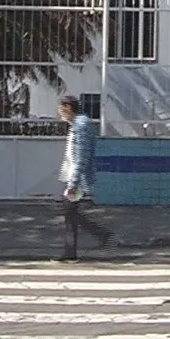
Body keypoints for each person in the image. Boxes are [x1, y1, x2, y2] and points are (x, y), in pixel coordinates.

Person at [58, 95, 114, 258]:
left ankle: (73, 252)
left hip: (78, 178)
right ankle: (104, 237)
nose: (60, 112)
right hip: (76, 177)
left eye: (61, 108)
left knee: (70, 212)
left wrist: (73, 183)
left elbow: (81, 156)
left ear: (68, 107)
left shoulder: (81, 125)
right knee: (70, 212)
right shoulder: (79, 124)